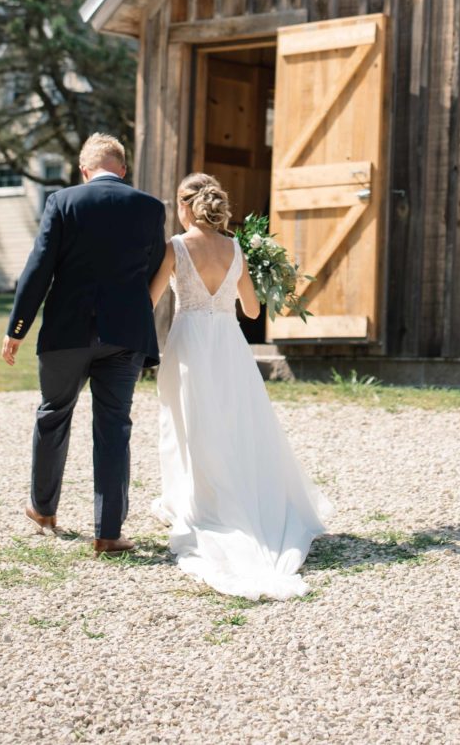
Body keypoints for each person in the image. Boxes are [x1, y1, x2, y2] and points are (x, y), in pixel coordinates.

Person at [149, 172, 330, 599]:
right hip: (228, 344)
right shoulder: (235, 249)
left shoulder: (175, 247)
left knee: (187, 423)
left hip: (190, 342)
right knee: (233, 421)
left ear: (186, 205)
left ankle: (198, 502)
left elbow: (151, 298)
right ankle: (239, 494)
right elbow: (250, 310)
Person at [1, 133, 166, 554]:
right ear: (123, 169)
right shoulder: (150, 208)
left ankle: (43, 510)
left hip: (66, 333)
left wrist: (17, 327)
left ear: (84, 169)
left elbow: (38, 268)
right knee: (114, 427)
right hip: (124, 335)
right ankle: (108, 533)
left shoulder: (63, 202)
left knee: (53, 414)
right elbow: (150, 268)